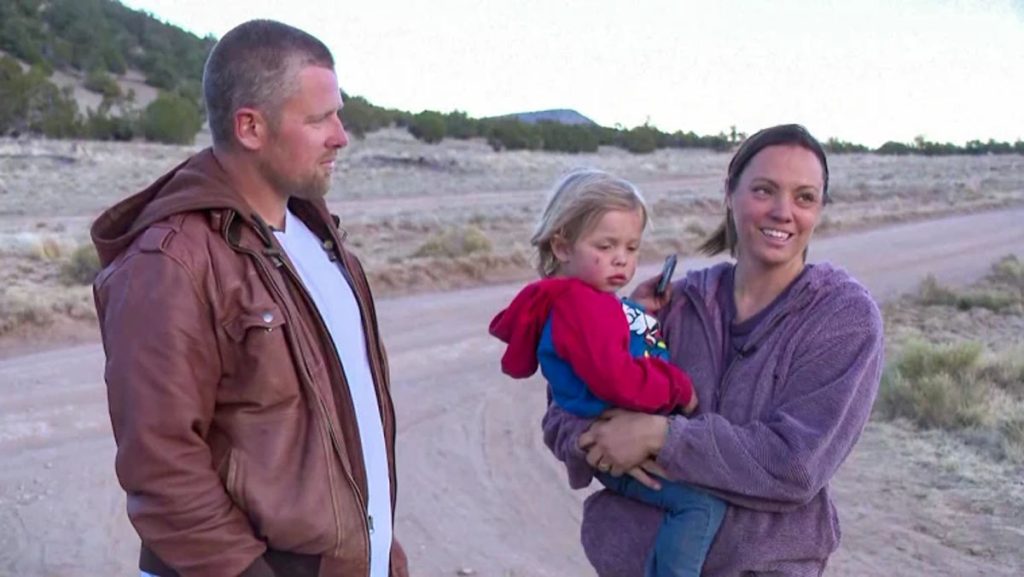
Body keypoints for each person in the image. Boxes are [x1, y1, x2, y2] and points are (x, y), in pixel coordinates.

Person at [90, 20, 407, 577]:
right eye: (319, 119)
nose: (341, 136)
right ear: (251, 127)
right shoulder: (170, 261)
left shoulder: (321, 242)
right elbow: (161, 466)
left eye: (337, 114)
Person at [542, 124, 885, 577]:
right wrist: (596, 437)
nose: (783, 212)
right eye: (764, 190)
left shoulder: (841, 317)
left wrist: (662, 437)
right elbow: (563, 411)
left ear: (819, 208)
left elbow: (795, 465)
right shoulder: (674, 304)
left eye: (804, 197)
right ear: (729, 193)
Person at [489, 168, 727, 577]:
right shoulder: (584, 306)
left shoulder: (579, 299)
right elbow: (617, 379)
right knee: (700, 506)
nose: (622, 258)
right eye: (606, 245)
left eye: (632, 248)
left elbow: (602, 340)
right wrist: (678, 388)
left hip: (612, 428)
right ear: (562, 246)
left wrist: (632, 311)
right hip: (615, 434)